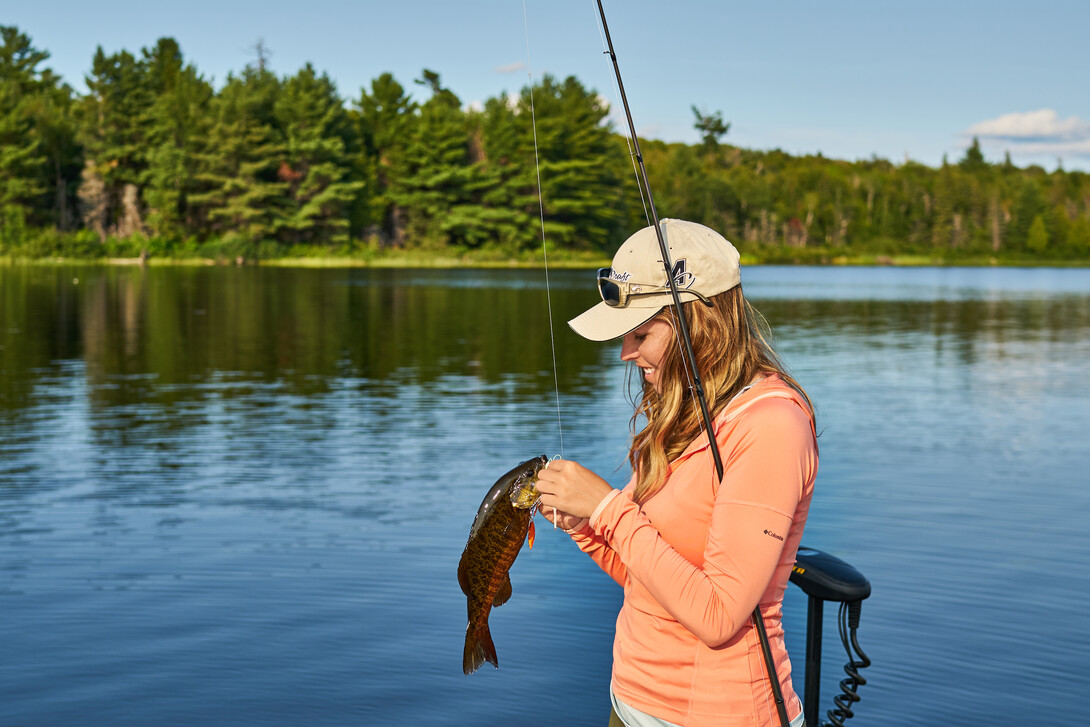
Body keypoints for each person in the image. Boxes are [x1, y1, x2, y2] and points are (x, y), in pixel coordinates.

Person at [534, 219, 817, 727]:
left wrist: (606, 508)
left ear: (698, 323)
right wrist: (585, 526)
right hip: (631, 702)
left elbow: (717, 615)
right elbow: (647, 579)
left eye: (641, 334)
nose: (625, 353)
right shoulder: (680, 413)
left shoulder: (770, 425)